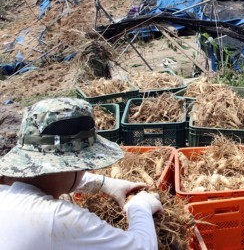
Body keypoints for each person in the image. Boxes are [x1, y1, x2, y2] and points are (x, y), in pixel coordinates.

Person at [0, 98, 163, 250]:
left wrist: (104, 183)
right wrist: (140, 207)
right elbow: (142, 246)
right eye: (85, 166)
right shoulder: (57, 218)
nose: (87, 170)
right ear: (68, 166)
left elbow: (53, 179)